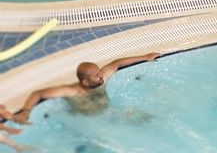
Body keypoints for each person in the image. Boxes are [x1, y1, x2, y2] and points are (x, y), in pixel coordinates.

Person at [12, 52, 161, 123]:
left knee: (148, 118)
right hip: (88, 122)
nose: (101, 75)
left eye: (99, 72)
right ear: (85, 82)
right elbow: (38, 93)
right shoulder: (72, 91)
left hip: (109, 114)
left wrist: (145, 57)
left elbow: (117, 63)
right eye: (96, 75)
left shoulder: (100, 79)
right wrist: (26, 111)